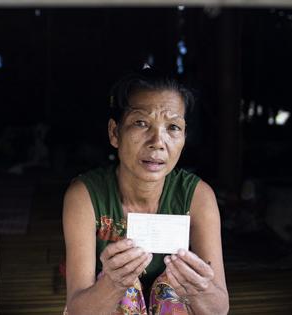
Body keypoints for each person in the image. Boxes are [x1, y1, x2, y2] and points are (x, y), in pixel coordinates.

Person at [63, 69, 229, 315]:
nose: (157, 141)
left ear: (184, 137)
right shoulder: (84, 196)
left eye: (173, 127)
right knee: (125, 292)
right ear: (114, 133)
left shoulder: (198, 197)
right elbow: (77, 309)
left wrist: (200, 289)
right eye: (141, 123)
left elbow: (219, 309)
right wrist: (112, 283)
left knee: (171, 292)